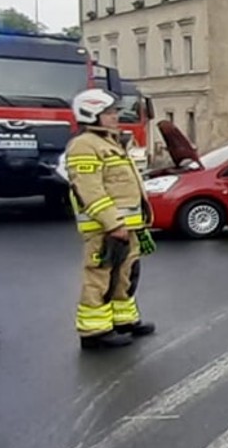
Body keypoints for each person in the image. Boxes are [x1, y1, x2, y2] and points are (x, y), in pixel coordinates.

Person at [64, 88, 158, 350]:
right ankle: (94, 332)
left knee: (125, 274)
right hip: (106, 227)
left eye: (115, 111)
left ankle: (122, 320)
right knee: (99, 276)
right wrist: (113, 223)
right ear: (91, 114)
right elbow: (89, 189)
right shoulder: (84, 145)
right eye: (109, 112)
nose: (116, 116)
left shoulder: (110, 142)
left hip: (126, 225)